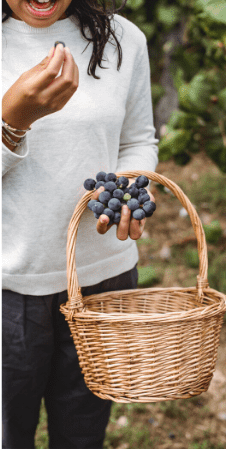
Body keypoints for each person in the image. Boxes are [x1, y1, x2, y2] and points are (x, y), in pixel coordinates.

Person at [2, 0, 158, 447]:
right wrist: (11, 122)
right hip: (9, 289)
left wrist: (131, 186)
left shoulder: (123, 39)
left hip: (104, 278)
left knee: (83, 431)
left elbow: (137, 140)